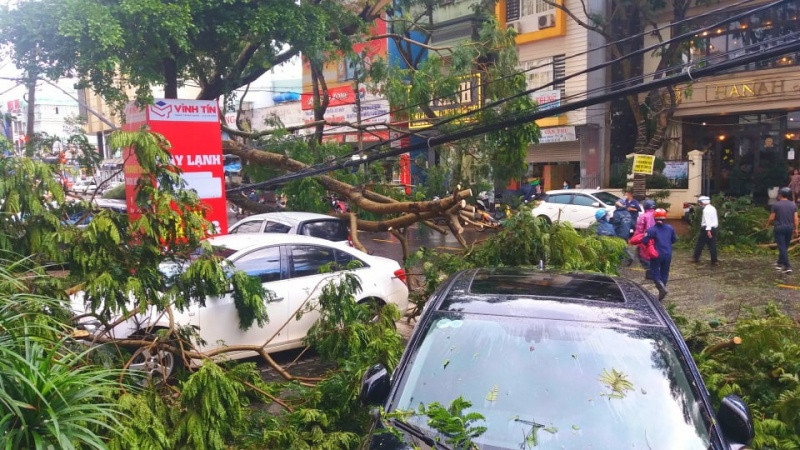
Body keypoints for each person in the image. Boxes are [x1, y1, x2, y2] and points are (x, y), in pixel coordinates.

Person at [642, 208, 677, 301]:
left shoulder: (651, 230)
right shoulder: (670, 228)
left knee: (654, 272)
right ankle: (663, 288)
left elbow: (644, 241)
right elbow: (674, 240)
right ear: (665, 218)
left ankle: (660, 287)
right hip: (668, 253)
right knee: (665, 272)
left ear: (654, 218)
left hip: (656, 254)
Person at [766, 187, 798, 274]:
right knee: (785, 247)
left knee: (782, 247)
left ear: (781, 195)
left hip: (779, 228)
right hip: (789, 228)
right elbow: (795, 219)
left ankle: (788, 267)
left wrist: (767, 224)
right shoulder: (793, 205)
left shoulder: (776, 205)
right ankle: (779, 264)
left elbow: (772, 218)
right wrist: (796, 229)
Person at [632, 199, 657, 278]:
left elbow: (639, 229)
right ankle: (653, 272)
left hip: (646, 239)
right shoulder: (657, 214)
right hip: (656, 239)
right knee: (654, 255)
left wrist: (635, 239)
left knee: (644, 256)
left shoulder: (644, 216)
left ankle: (650, 274)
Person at [692, 196, 719, 265]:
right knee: (712, 244)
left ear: (703, 202)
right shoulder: (713, 208)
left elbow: (708, 221)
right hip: (714, 228)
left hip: (706, 229)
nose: (700, 204)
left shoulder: (706, 210)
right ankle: (714, 260)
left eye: (700, 203)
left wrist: (708, 230)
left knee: (700, 244)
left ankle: (696, 257)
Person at [612, 201, 634, 265]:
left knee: (619, 246)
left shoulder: (616, 213)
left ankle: (629, 256)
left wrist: (612, 232)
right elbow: (631, 223)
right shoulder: (627, 213)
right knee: (623, 245)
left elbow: (616, 224)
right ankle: (621, 258)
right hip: (627, 232)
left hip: (620, 232)